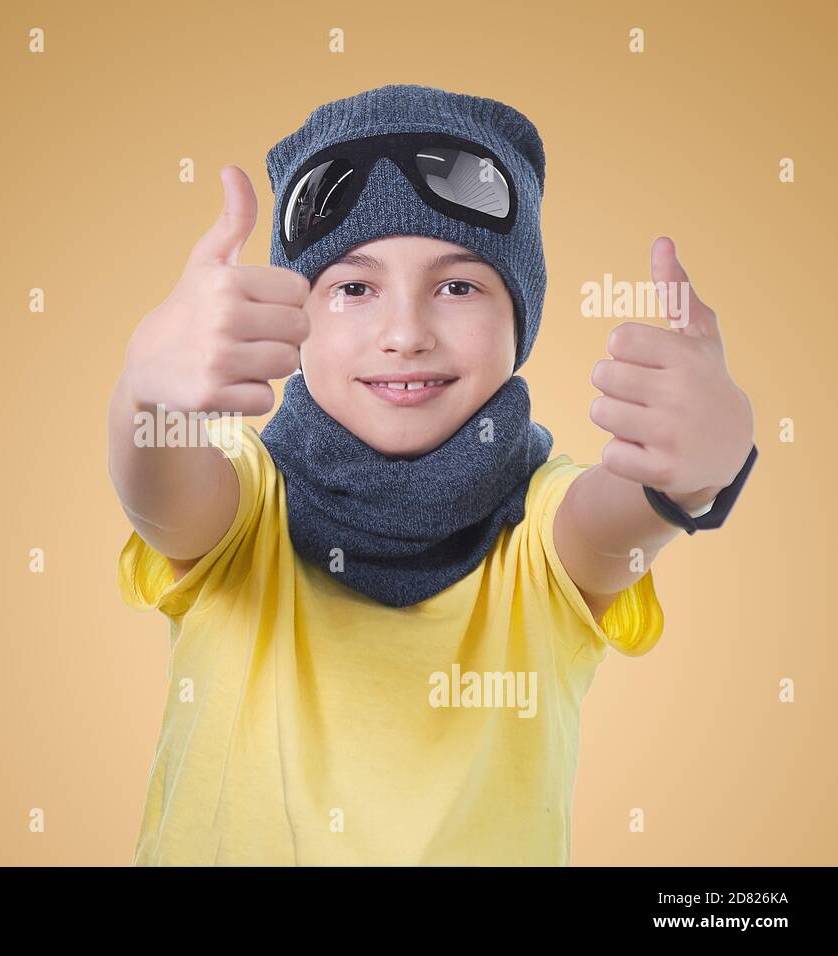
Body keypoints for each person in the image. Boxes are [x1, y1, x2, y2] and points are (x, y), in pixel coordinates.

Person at [107, 83, 755, 865]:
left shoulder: (542, 533)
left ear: (520, 320)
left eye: (458, 286)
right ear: (294, 317)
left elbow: (614, 520)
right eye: (353, 288)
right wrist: (146, 396)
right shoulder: (248, 504)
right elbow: (162, 493)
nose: (406, 333)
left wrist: (691, 477)